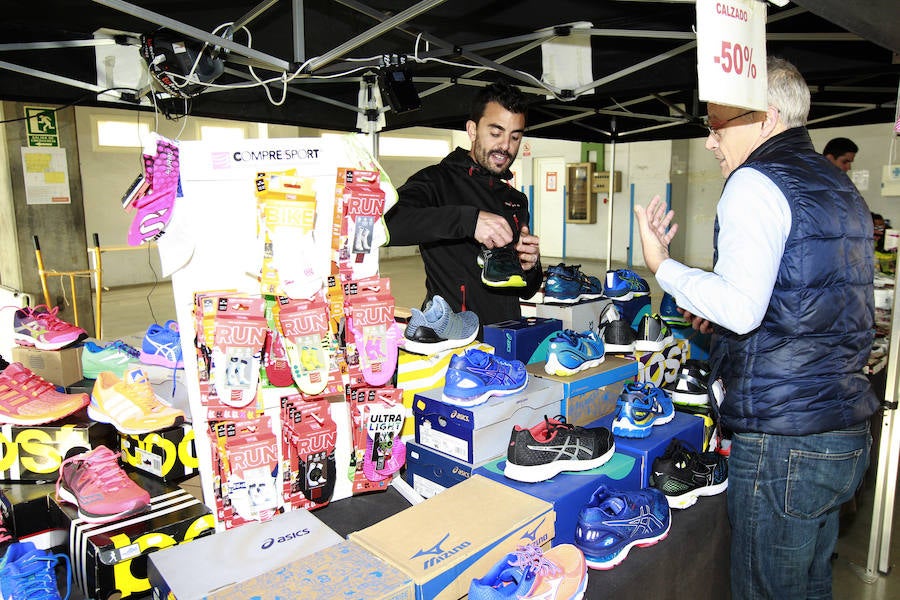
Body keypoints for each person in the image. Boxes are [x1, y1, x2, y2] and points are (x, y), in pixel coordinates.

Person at [634, 57, 878, 599]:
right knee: (811, 585)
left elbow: (744, 309)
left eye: (719, 123)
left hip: (784, 441)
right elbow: (807, 300)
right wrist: (714, 307)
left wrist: (663, 266)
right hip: (842, 429)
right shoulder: (838, 189)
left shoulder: (755, 181)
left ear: (765, 117)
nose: (710, 140)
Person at [383, 81, 542, 329]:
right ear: (472, 130)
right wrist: (469, 220)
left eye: (515, 137)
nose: (505, 147)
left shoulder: (515, 200)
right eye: (496, 133)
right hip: (452, 338)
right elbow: (388, 225)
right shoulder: (436, 180)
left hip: (507, 338)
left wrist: (530, 265)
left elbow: (527, 290)